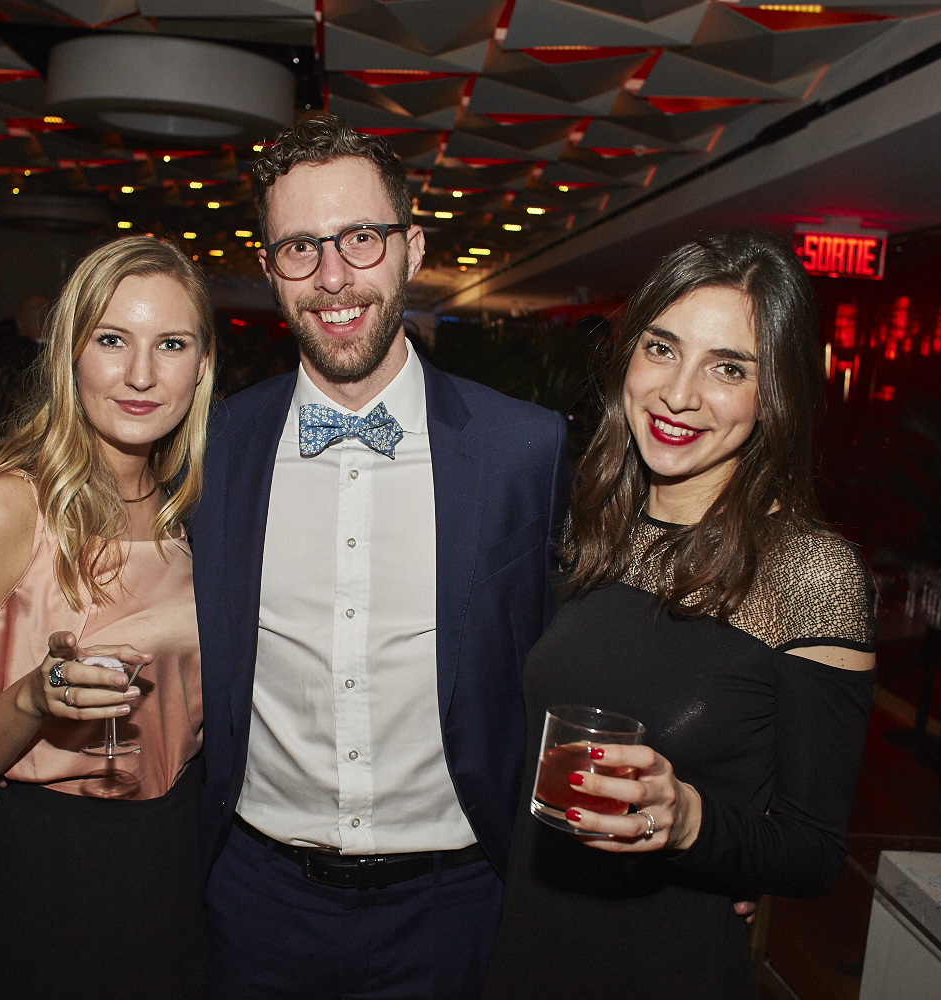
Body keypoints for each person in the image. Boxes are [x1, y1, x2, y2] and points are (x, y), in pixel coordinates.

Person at [189, 115, 571, 1000]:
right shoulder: (215, 448)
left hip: (455, 903)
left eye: (361, 238)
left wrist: (698, 822)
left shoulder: (527, 448)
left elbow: (585, 653)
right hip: (253, 899)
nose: (333, 277)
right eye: (299, 248)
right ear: (270, 268)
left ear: (411, 248)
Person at [483, 232, 877, 999]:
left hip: (664, 967)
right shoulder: (588, 523)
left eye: (728, 368)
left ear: (777, 394)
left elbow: (813, 851)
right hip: (524, 945)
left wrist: (691, 821)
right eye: (662, 349)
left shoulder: (809, 574)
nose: (679, 393)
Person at [0, 236, 215, 998]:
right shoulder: (4, 508)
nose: (141, 374)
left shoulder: (197, 507)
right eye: (113, 340)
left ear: (201, 367)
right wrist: (32, 701)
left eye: (170, 344)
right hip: (53, 865)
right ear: (70, 353)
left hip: (184, 848)